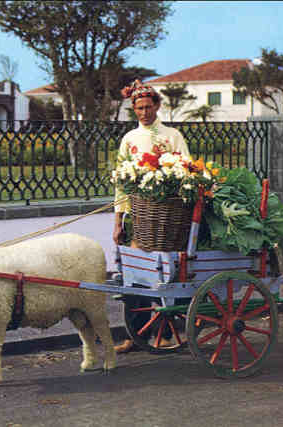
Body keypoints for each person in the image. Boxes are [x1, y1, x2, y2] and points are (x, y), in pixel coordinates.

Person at [113, 80, 191, 354]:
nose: (144, 112)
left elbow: (187, 170)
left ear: (157, 106)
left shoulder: (172, 137)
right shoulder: (129, 140)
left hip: (167, 220)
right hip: (138, 218)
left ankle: (167, 332)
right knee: (134, 274)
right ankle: (135, 336)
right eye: (139, 108)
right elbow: (121, 185)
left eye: (148, 107)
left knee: (162, 275)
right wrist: (118, 221)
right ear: (133, 110)